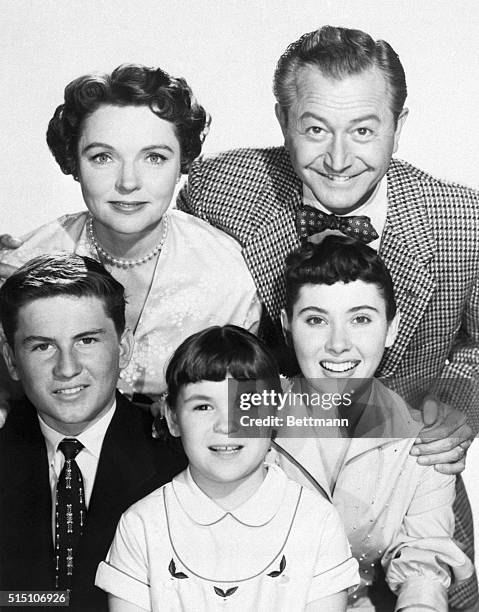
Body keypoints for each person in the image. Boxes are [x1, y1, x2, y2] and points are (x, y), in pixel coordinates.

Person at [175, 26, 479, 608]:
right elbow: (154, 252)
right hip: (260, 515)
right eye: (315, 130)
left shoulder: (462, 222)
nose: (339, 160)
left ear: (400, 121)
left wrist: (457, 405)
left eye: (364, 130)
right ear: (283, 120)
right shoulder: (222, 190)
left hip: (413, 512)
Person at [0, 63, 260, 404]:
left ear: (183, 162)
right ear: (74, 163)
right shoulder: (25, 262)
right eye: (102, 157)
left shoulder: (225, 272)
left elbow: (242, 414)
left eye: (153, 157)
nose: (128, 182)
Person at [269, 236, 474, 611]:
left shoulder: (423, 441)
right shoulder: (246, 411)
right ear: (287, 325)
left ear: (391, 328)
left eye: (360, 319)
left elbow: (422, 570)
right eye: (316, 320)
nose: (338, 344)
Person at [95, 325, 359, 611]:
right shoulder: (141, 525)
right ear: (172, 418)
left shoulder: (316, 522)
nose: (226, 425)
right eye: (203, 407)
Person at [0, 254, 186, 612]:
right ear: (11, 360)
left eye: (86, 341)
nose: (67, 368)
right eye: (42, 346)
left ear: (125, 348)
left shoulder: (177, 459)